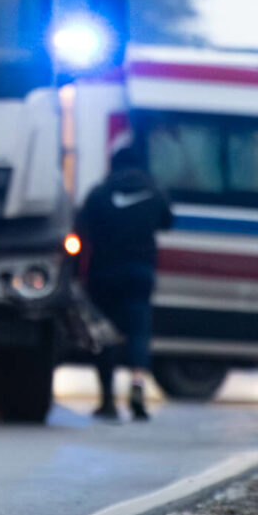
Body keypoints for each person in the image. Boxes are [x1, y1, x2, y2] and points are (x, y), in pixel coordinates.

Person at [75, 145, 173, 422]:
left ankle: (107, 399)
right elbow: (168, 222)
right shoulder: (155, 192)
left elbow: (81, 226)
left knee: (104, 333)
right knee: (139, 333)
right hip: (140, 273)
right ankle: (138, 389)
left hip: (103, 272)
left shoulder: (100, 193)